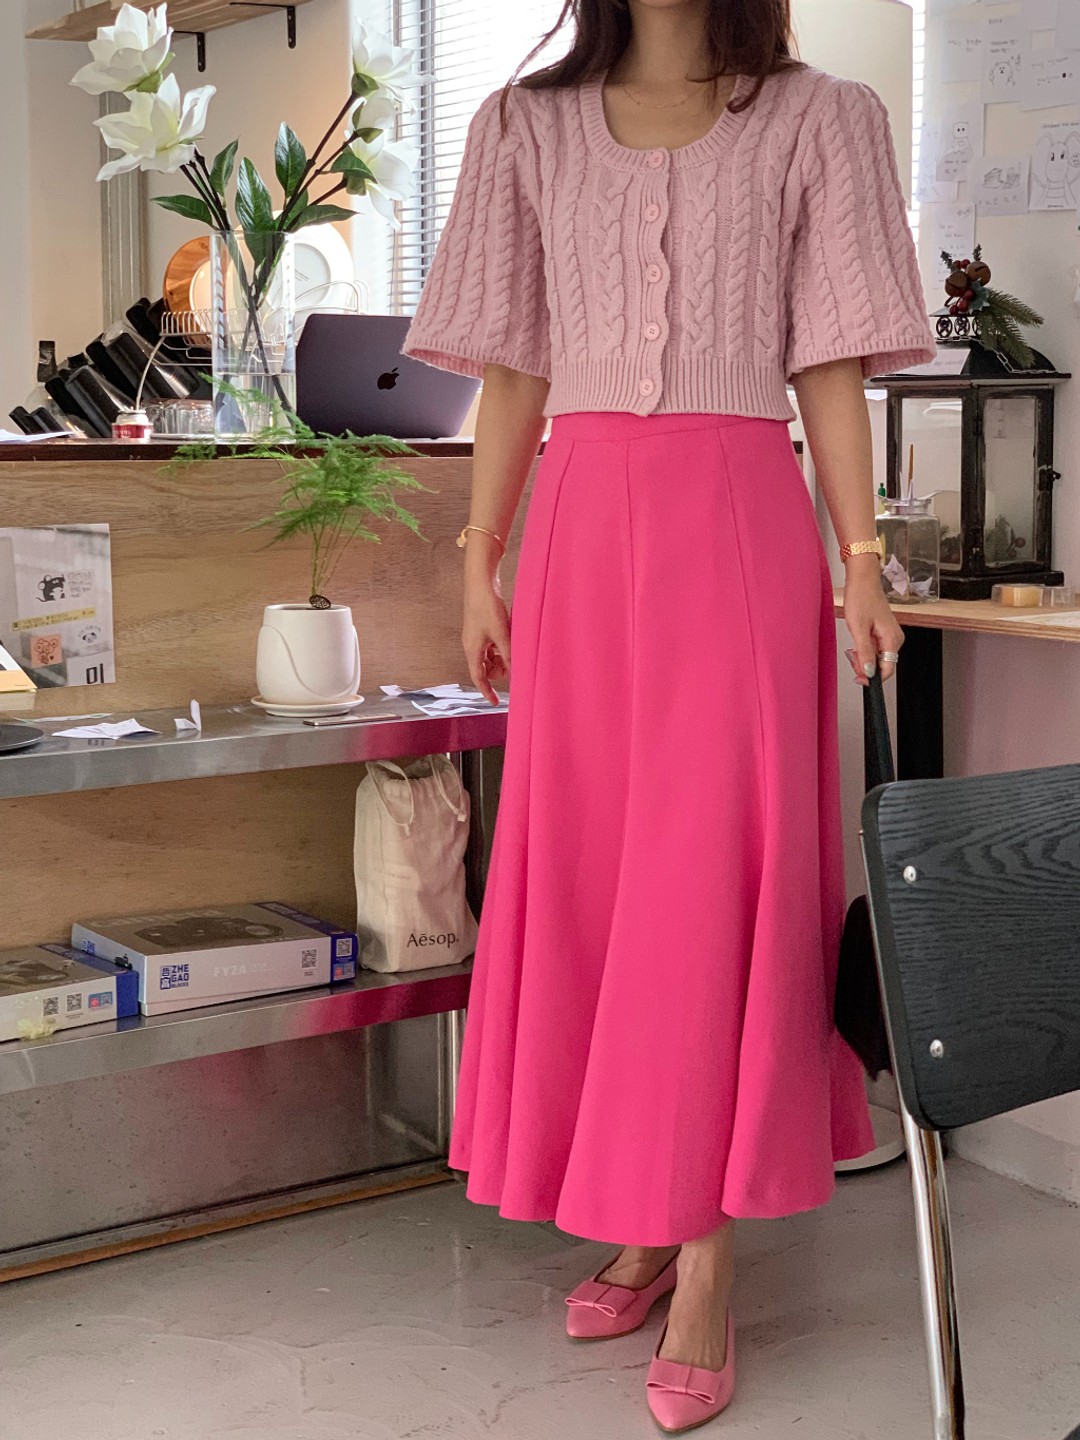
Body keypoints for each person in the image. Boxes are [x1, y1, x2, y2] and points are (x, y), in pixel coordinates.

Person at [402, 0, 935, 1429]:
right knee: (595, 880)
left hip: (740, 527)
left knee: (708, 883)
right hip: (578, 532)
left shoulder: (823, 118)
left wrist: (860, 558)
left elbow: (828, 360)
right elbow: (515, 367)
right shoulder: (520, 126)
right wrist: (479, 559)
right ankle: (642, 1210)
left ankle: (702, 1256)